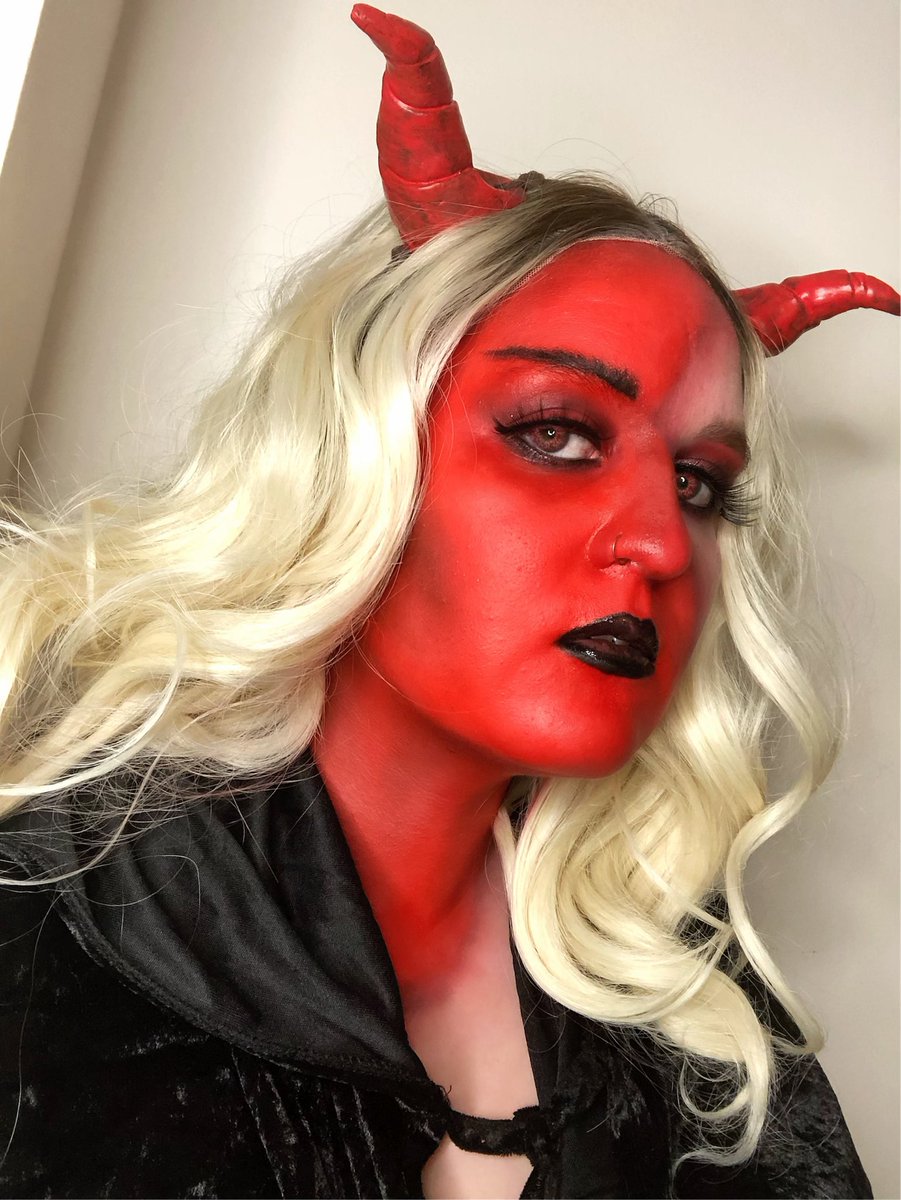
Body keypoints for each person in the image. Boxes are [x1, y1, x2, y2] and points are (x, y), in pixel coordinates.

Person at [0, 6, 895, 1198]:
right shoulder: (49, 930)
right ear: (348, 458)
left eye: (698, 483)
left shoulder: (691, 1016)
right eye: (556, 432)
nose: (657, 543)